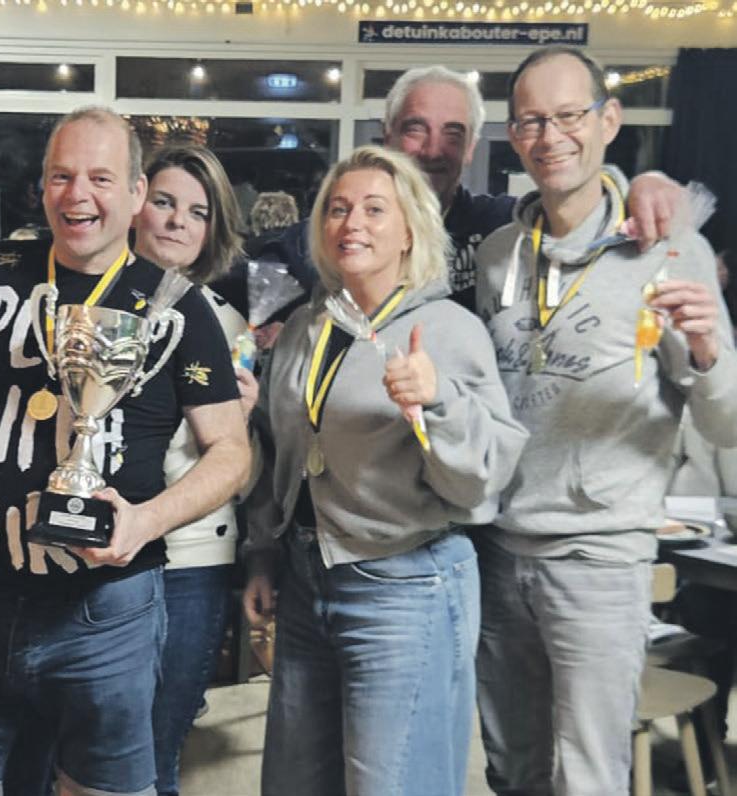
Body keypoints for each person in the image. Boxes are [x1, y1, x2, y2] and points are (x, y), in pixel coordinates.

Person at [0, 106, 250, 796]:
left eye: (100, 177)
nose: (78, 195)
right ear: (41, 188)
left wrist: (145, 522)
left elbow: (230, 452)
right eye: (61, 176)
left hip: (105, 614)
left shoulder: (177, 307)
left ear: (135, 193)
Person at [473, 46, 737, 796]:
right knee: (510, 768)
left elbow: (727, 426)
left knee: (589, 774)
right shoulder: (497, 254)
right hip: (499, 548)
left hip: (599, 555)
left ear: (608, 121)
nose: (550, 135)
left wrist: (709, 352)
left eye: (569, 115)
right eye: (531, 120)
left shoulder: (671, 248)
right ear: (513, 134)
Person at [242, 145, 528, 796]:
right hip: (306, 580)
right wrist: (262, 553)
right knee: (293, 783)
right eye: (338, 209)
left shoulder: (447, 329)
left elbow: (481, 481)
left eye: (375, 210)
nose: (352, 224)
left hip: (405, 587)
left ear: (409, 231)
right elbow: (280, 455)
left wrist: (437, 402)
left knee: (395, 784)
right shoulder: (303, 328)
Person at [132, 145, 257, 796]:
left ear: (213, 230)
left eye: (198, 212)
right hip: (97, 553)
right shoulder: (83, 306)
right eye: (164, 202)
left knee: (159, 748)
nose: (178, 221)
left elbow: (245, 475)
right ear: (135, 203)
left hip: (191, 559)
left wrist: (244, 424)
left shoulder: (228, 324)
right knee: (77, 747)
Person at [381, 64, 684, 311]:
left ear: (471, 148)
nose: (433, 150)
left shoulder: (502, 225)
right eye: (415, 129)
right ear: (388, 136)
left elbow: (573, 197)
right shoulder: (358, 227)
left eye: (453, 134)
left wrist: (645, 186)